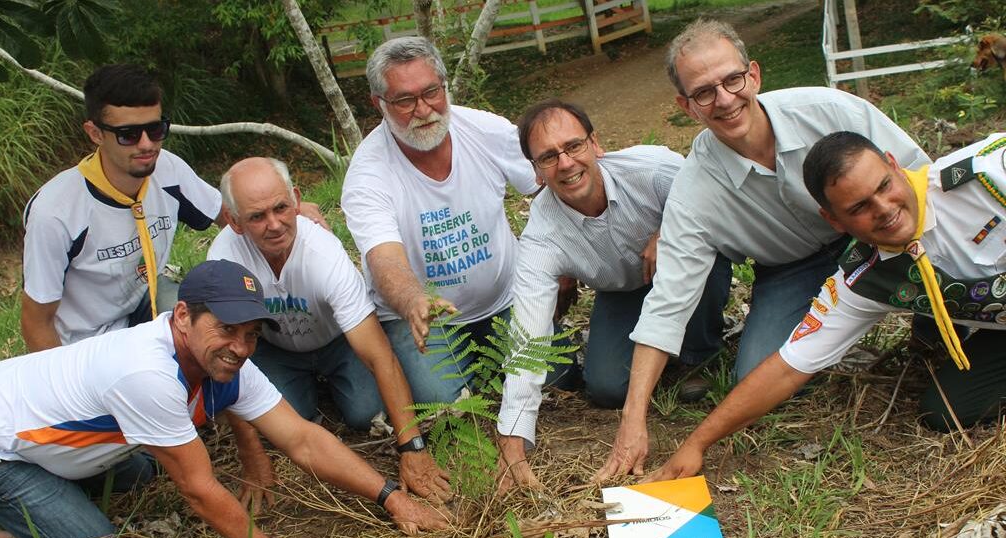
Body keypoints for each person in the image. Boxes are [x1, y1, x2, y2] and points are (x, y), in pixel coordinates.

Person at [594, 18, 931, 480]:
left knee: (937, 322)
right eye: (704, 92)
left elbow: (920, 176)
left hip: (877, 232)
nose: (725, 99)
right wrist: (634, 416)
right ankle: (830, 329)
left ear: (753, 74)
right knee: (753, 376)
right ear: (686, 106)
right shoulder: (695, 188)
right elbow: (668, 303)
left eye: (732, 80)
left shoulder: (827, 110)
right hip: (792, 267)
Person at [0, 259, 449, 538]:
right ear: (182, 315)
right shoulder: (147, 372)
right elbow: (199, 491)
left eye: (250, 335)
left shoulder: (222, 363)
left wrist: (391, 499)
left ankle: (54, 482)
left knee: (143, 471)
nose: (241, 348)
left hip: (45, 434)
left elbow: (302, 438)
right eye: (226, 329)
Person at [643, 131, 1006, 481]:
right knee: (947, 412)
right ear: (833, 220)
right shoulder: (863, 277)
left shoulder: (984, 175)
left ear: (894, 165)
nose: (884, 209)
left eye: (883, 185)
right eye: (859, 207)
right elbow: (787, 367)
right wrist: (697, 443)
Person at [495, 99, 731, 488]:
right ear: (536, 172)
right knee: (604, 387)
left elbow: (716, 202)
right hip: (623, 291)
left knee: (694, 252)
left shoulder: (653, 169)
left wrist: (672, 231)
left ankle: (697, 354)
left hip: (684, 272)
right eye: (549, 157)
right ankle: (657, 357)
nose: (567, 163)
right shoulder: (540, 237)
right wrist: (513, 439)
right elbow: (529, 338)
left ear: (595, 144)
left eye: (573, 146)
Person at [208, 157, 451, 504]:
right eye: (257, 217)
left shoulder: (324, 254)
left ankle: (328, 386)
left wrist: (412, 448)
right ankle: (303, 393)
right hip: (276, 349)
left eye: (281, 208)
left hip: (337, 342)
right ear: (233, 221)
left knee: (364, 413)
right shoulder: (224, 261)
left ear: (295, 198)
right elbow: (225, 357)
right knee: (277, 425)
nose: (274, 225)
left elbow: (377, 353)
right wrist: (252, 457)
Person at [341, 36, 540, 412]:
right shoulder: (368, 174)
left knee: (555, 374)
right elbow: (384, 259)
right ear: (379, 104)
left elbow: (543, 186)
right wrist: (415, 300)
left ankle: (486, 365)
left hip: (504, 300)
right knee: (444, 404)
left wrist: (553, 265)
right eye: (404, 100)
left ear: (444, 86)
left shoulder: (486, 130)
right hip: (426, 322)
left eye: (432, 92)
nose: (423, 109)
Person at [20, 63, 220, 351]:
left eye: (155, 129)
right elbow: (36, 321)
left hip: (142, 304)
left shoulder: (167, 170)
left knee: (206, 327)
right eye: (128, 134)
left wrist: (293, 213)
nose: (147, 144)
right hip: (85, 343)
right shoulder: (55, 213)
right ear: (95, 133)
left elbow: (232, 214)